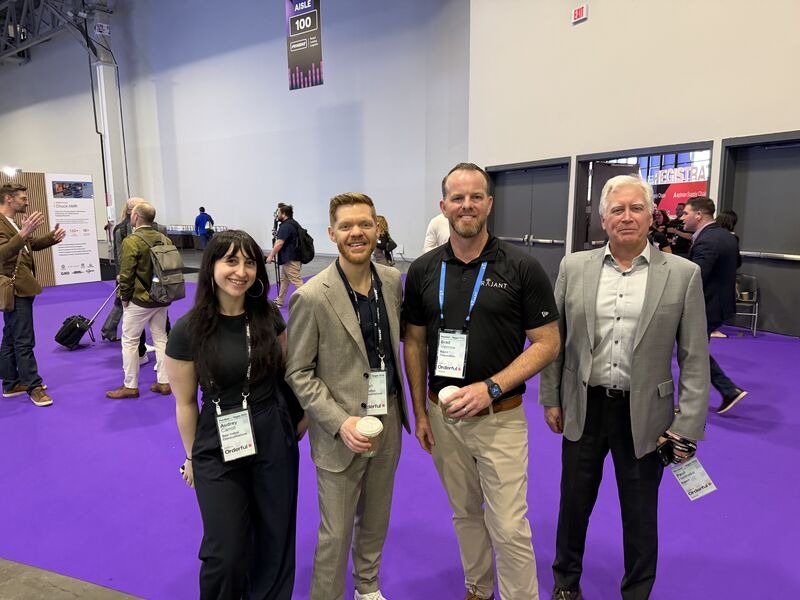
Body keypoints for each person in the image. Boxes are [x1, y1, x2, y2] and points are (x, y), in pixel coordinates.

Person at [539, 175, 710, 600]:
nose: (627, 217)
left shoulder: (683, 275)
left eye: (636, 208)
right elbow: (554, 340)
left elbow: (694, 357)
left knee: (639, 513)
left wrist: (686, 424)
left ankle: (637, 590)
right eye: (618, 209)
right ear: (603, 219)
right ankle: (565, 584)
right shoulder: (573, 266)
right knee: (573, 506)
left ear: (652, 216)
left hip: (647, 417)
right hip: (584, 404)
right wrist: (551, 396)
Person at [403, 163, 560, 600]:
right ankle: (478, 586)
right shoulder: (423, 270)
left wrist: (491, 386)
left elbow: (548, 343)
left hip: (500, 417)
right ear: (443, 207)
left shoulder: (522, 268)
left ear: (489, 204)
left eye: (476, 197)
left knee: (509, 524)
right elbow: (413, 345)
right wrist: (420, 411)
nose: (466, 205)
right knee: (465, 513)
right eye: (457, 198)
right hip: (443, 415)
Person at [166, 230, 305, 600]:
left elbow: (288, 378)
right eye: (230, 260)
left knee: (275, 538)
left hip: (273, 434)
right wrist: (192, 455)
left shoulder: (269, 318)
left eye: (248, 262)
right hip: (218, 437)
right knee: (225, 551)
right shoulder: (187, 330)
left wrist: (295, 427)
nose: (240, 271)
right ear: (211, 266)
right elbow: (184, 403)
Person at [285, 192, 408, 600]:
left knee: (376, 518)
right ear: (331, 233)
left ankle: (367, 587)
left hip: (387, 418)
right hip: (340, 430)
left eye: (365, 224)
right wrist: (340, 422)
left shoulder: (391, 281)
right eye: (346, 226)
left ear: (378, 228)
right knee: (335, 534)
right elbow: (298, 373)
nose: (357, 233)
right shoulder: (312, 296)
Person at [0, 183, 65, 407]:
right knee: (23, 340)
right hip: (15, 289)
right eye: (23, 198)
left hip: (22, 287)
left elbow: (29, 245)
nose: (27, 202)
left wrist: (51, 238)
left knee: (10, 337)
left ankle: (10, 384)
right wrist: (23, 232)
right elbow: (2, 253)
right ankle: (33, 387)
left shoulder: (11, 222)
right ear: (9, 199)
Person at [682, 196, 747, 414]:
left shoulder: (708, 240)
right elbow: (736, 263)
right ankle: (727, 391)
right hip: (719, 306)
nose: (682, 217)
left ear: (698, 215)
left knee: (693, 354)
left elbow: (696, 276)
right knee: (694, 353)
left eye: (685, 213)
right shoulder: (726, 236)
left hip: (706, 307)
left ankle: (725, 391)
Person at [106, 202, 172, 398]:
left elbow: (126, 274)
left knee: (129, 341)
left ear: (135, 217)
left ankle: (131, 385)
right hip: (161, 297)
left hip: (139, 300)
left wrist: (124, 297)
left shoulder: (132, 241)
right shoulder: (164, 238)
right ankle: (164, 382)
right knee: (161, 338)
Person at [265, 204, 304, 308]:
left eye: (278, 212)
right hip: (291, 258)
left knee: (296, 281)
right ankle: (280, 300)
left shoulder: (286, 226)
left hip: (291, 259)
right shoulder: (293, 223)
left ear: (284, 214)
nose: (277, 215)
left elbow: (279, 243)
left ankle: (308, 301)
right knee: (284, 280)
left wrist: (270, 256)